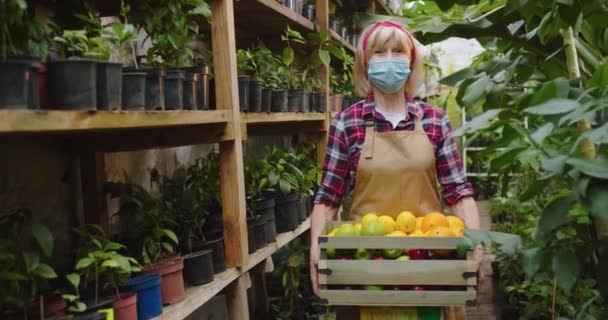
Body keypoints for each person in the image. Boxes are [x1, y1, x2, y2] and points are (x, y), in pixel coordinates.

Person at [309, 21, 482, 319]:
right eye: (379, 52)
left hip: (431, 262)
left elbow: (458, 193)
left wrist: (476, 245)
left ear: (412, 61)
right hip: (365, 266)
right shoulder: (346, 124)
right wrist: (316, 251)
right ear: (365, 64)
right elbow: (328, 198)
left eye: (398, 51)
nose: (389, 59)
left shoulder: (434, 120)